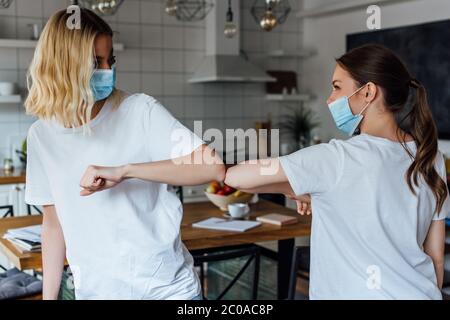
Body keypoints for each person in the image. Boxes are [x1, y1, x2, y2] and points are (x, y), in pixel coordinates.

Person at [24, 9, 225, 300]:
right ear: (63, 65)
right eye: (96, 62)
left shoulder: (140, 110)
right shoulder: (41, 137)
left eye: (111, 60)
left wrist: (126, 170)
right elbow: (54, 225)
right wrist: (49, 298)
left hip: (168, 291)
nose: (108, 70)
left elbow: (212, 167)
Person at [225, 44, 450, 299]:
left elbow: (237, 176)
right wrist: (313, 194)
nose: (330, 99)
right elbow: (436, 258)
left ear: (368, 92)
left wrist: (305, 188)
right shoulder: (430, 156)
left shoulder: (336, 157)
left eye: (336, 87)